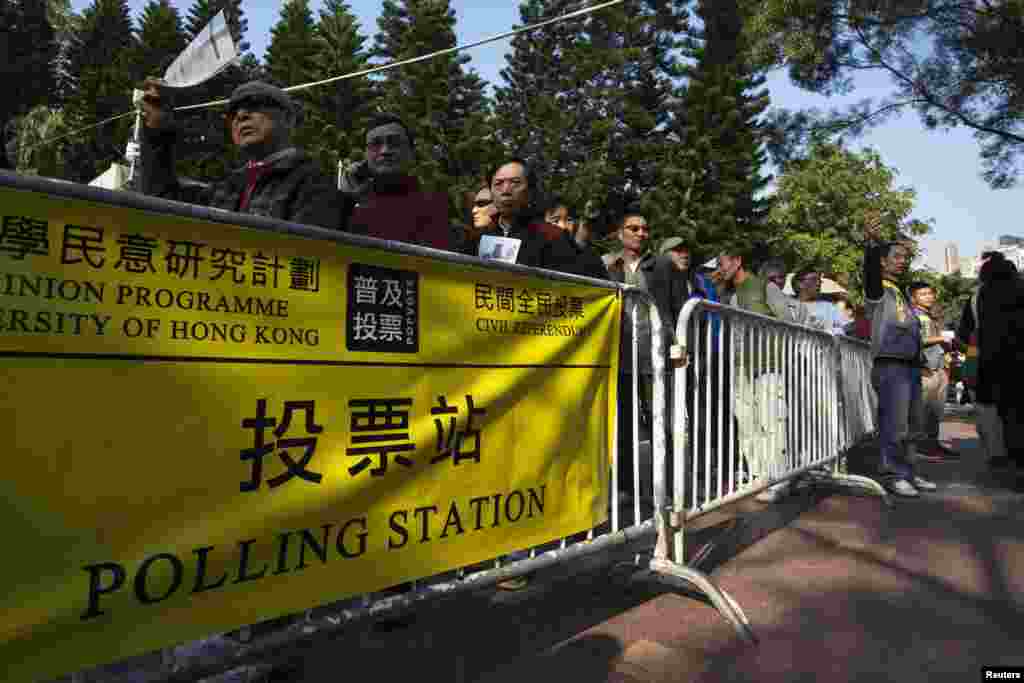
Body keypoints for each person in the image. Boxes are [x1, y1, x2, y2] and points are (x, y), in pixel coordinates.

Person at [138, 79, 343, 230]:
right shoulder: (227, 186)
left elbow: (311, 256)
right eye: (232, 112)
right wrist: (157, 131)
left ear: (289, 119)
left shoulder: (313, 183)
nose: (241, 115)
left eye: (255, 105)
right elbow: (161, 202)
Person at [716, 248, 805, 503]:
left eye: (723, 264)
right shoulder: (729, 294)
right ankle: (758, 476)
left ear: (737, 261)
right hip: (740, 365)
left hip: (767, 364)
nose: (720, 270)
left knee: (771, 419)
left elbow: (787, 322)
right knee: (746, 422)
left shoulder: (766, 287)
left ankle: (777, 476)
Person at [863, 235, 937, 497]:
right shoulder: (878, 289)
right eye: (896, 256)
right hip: (890, 365)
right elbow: (869, 273)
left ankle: (909, 472)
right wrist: (871, 247)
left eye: (905, 257)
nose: (903, 262)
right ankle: (893, 475)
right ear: (882, 262)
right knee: (894, 423)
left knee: (913, 424)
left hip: (910, 366)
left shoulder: (901, 292)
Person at [464, 158, 607, 278]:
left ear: (530, 191)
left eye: (515, 183)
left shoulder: (553, 237)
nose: (506, 191)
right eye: (498, 184)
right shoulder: (478, 239)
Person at [604, 209, 657, 504]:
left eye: (644, 229)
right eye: (633, 228)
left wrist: (677, 346)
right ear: (620, 232)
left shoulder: (660, 265)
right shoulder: (607, 265)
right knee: (624, 425)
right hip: (620, 357)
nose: (640, 233)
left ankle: (661, 488)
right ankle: (626, 487)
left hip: (654, 357)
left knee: (660, 423)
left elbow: (673, 307)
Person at [338, 114, 452, 250]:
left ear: (411, 152)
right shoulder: (347, 204)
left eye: (394, 143)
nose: (385, 151)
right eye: (375, 144)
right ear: (366, 155)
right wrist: (345, 201)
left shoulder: (434, 204)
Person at [957, 253, 1024, 470]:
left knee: (1003, 414)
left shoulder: (978, 296)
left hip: (991, 363)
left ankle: (1006, 457)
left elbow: (963, 335)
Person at [908, 282, 956, 458]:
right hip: (925, 368)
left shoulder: (930, 316)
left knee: (936, 410)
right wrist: (939, 338)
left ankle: (932, 443)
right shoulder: (913, 315)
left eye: (930, 293)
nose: (928, 297)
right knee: (924, 408)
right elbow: (915, 340)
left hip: (939, 366)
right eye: (922, 294)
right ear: (913, 298)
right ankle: (921, 446)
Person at [793, 267, 852, 335]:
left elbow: (847, 327)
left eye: (819, 281)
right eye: (813, 280)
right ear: (800, 284)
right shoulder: (790, 306)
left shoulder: (829, 307)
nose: (818, 283)